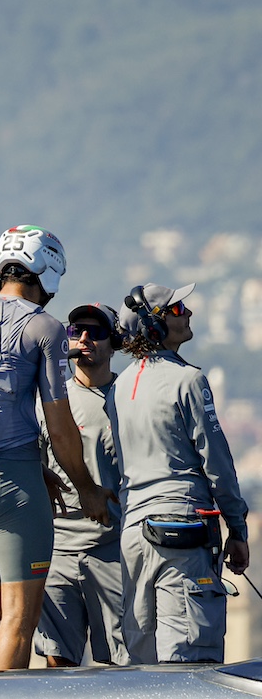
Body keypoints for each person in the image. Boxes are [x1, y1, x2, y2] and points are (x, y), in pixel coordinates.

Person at [0, 225, 115, 672]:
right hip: (10, 484)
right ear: (46, 272)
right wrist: (86, 488)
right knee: (18, 618)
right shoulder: (43, 326)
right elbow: (61, 424)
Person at [107, 283, 250, 663]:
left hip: (134, 531)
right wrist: (237, 529)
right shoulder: (188, 381)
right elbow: (216, 461)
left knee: (142, 654)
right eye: (176, 308)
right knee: (188, 657)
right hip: (180, 528)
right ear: (154, 326)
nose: (187, 313)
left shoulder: (118, 388)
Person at [33, 303, 127, 667]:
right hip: (58, 550)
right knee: (57, 664)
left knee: (118, 665)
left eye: (96, 332)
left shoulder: (129, 399)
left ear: (113, 342)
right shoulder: (49, 401)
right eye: (76, 331)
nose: (85, 338)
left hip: (112, 550)